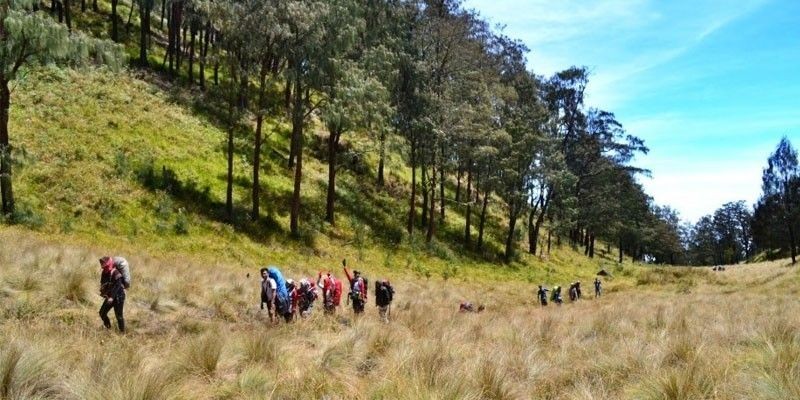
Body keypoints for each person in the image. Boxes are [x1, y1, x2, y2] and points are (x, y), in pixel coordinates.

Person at [98, 256, 126, 333]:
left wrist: (112, 297)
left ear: (108, 263)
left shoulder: (115, 272)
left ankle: (122, 333)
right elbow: (103, 283)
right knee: (102, 313)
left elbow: (118, 285)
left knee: (119, 316)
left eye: (103, 262)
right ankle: (108, 328)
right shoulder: (104, 272)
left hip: (118, 297)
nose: (101, 264)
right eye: (101, 262)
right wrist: (103, 291)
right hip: (109, 296)